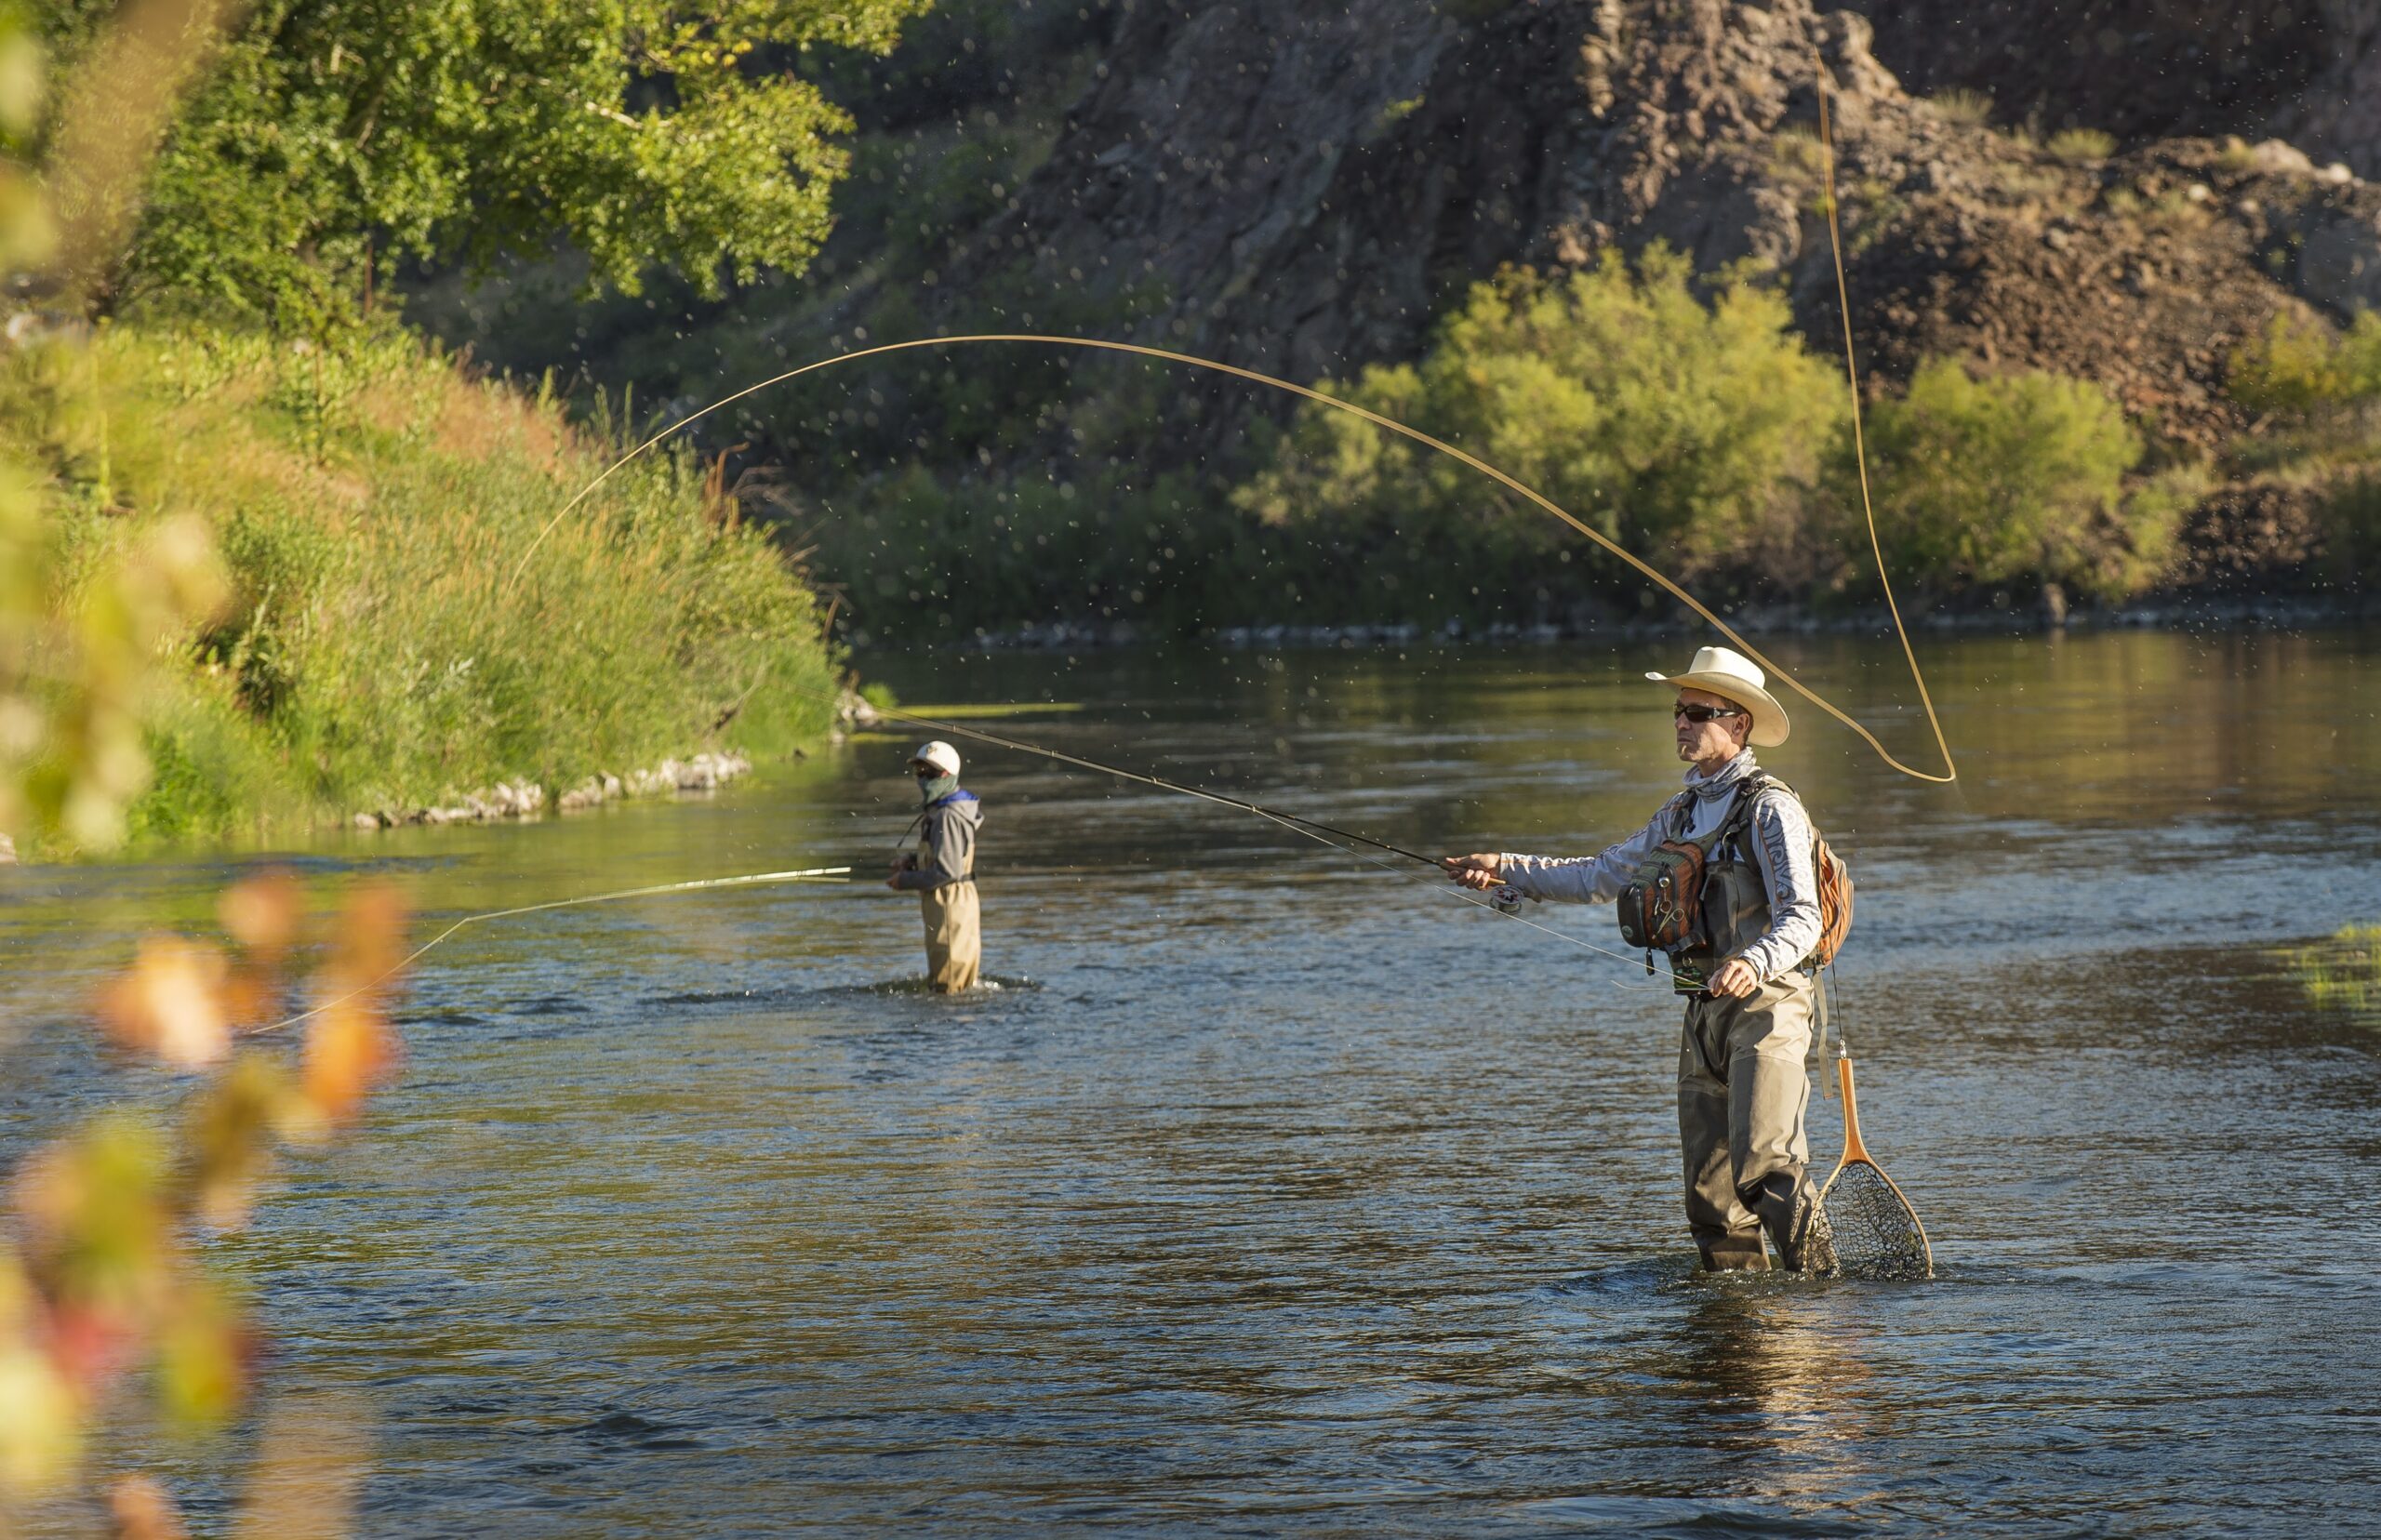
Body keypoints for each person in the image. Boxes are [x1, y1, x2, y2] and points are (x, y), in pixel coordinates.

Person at [1443, 645, 1835, 1273]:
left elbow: (1805, 918)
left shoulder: (1771, 808)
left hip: (1769, 1007)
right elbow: (1600, 874)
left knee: (1766, 1170)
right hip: (1701, 1008)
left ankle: (1828, 1300)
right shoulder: (1678, 814)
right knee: (1711, 1201)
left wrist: (1754, 964)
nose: (1682, 723)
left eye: (1699, 712)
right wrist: (1503, 868)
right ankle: (1737, 1336)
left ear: (1740, 725)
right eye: (1678, 712)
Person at [887, 740, 982, 991]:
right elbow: (947, 857)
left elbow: (946, 872)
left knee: (948, 987)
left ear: (946, 775)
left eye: (929, 773)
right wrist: (910, 861)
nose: (923, 779)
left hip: (950, 903)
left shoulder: (948, 815)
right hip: (951, 900)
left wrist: (904, 881)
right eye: (919, 772)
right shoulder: (943, 811)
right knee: (955, 983)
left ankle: (946, 1029)